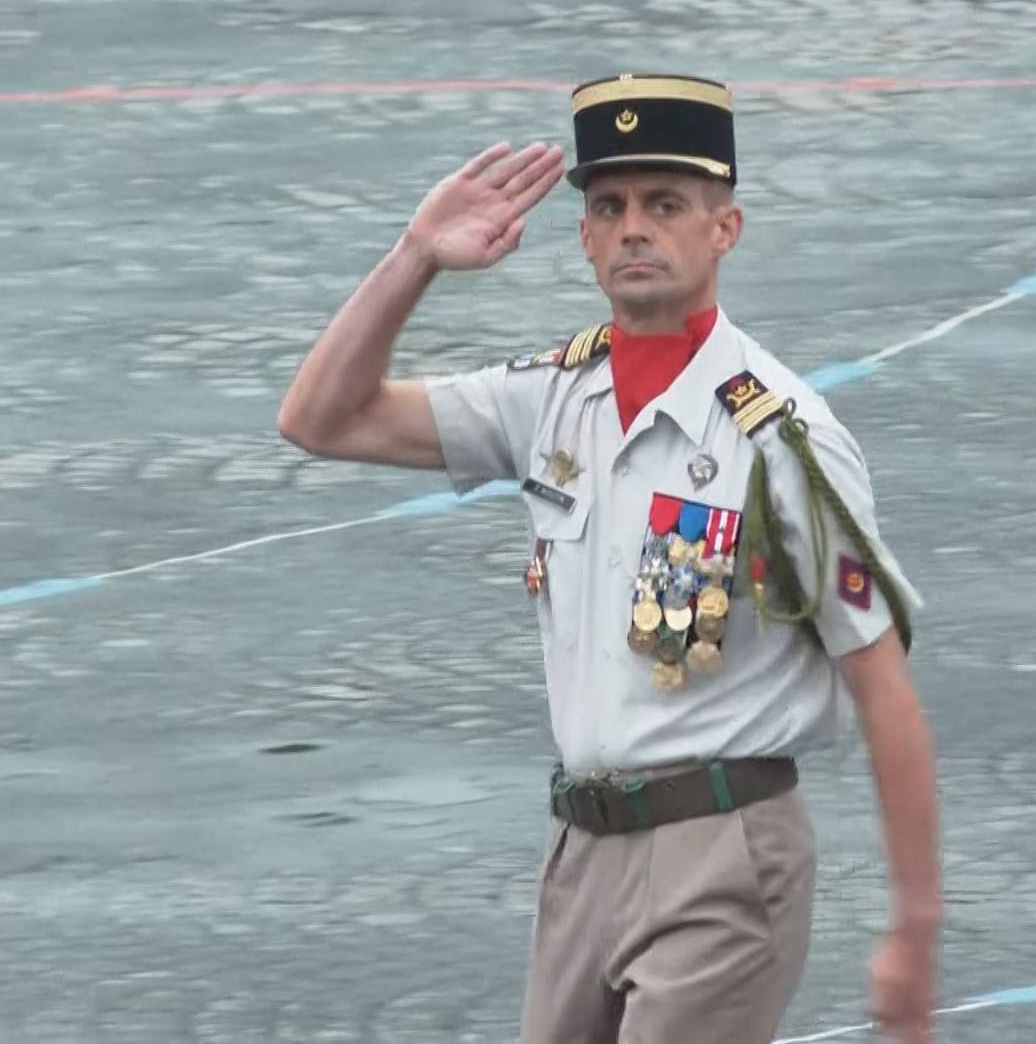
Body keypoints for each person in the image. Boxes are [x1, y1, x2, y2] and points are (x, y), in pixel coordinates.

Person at [278, 72, 942, 1044]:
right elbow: (320, 418)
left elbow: (883, 687)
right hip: (580, 856)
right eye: (609, 207)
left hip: (721, 852)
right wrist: (414, 258)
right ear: (584, 239)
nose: (633, 229)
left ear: (725, 229)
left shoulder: (781, 439)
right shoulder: (551, 398)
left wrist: (914, 929)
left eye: (665, 205)